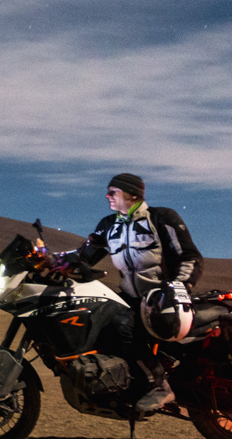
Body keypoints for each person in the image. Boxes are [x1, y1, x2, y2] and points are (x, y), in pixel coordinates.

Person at [62, 172, 203, 415]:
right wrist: (52, 260)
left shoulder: (161, 218)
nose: (108, 196)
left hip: (162, 298)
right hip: (130, 296)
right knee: (100, 325)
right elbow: (84, 257)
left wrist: (178, 287)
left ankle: (158, 384)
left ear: (133, 195)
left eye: (114, 192)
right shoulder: (108, 225)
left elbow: (189, 257)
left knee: (123, 328)